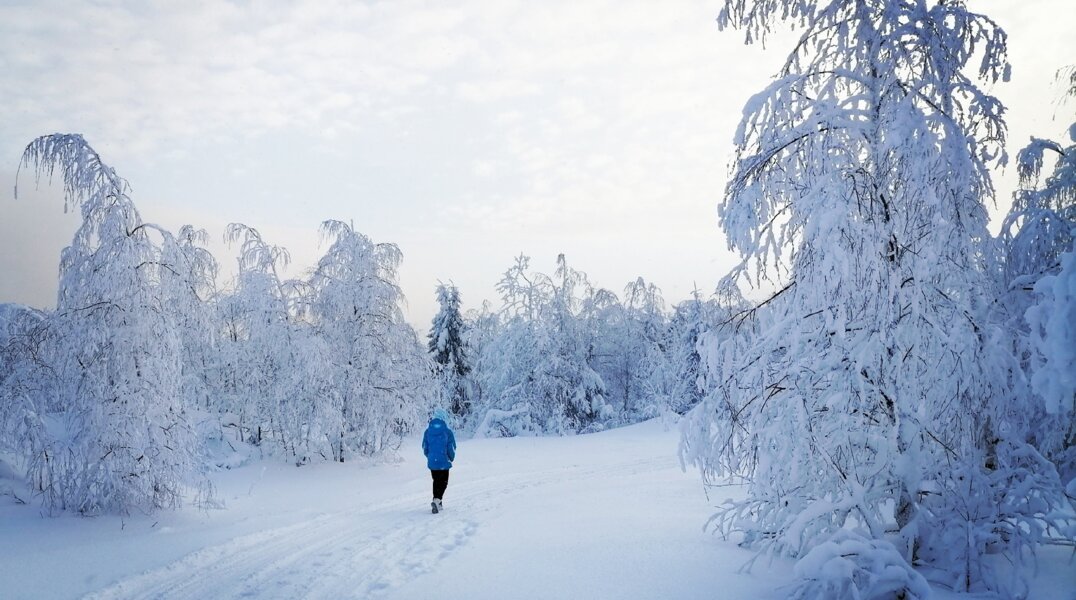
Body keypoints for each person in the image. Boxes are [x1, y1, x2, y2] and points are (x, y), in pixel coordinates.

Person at [422, 408, 456, 514]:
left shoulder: (427, 432)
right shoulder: (447, 432)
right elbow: (451, 447)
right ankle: (437, 500)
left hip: (432, 461)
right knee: (444, 482)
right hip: (443, 461)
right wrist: (451, 457)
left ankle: (438, 502)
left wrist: (430, 456)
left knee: (436, 481)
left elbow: (424, 447)